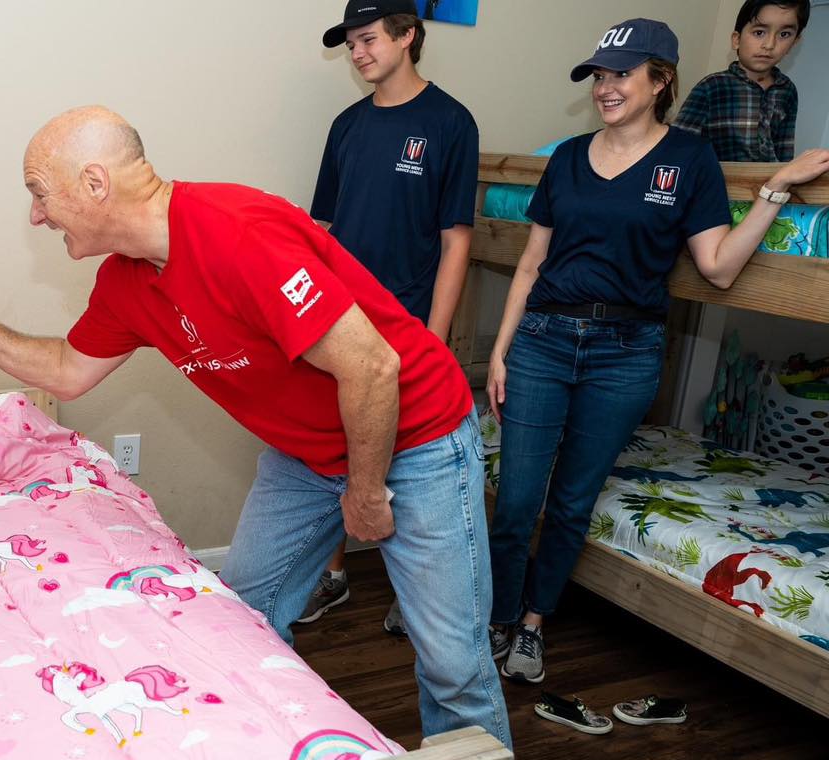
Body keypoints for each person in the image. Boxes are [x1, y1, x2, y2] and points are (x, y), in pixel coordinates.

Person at [0, 107, 520, 760]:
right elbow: (64, 373)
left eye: (40, 193)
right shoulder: (126, 282)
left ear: (94, 181)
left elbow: (373, 366)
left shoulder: (238, 232)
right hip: (306, 454)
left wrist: (367, 494)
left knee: (451, 661)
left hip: (414, 436)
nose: (37, 215)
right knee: (234, 620)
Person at [486, 19, 829, 684]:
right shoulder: (566, 160)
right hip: (544, 342)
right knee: (518, 499)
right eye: (599, 77)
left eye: (621, 75)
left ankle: (532, 625)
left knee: (571, 502)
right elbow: (529, 266)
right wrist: (500, 352)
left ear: (660, 79)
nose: (606, 89)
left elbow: (719, 267)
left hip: (626, 352)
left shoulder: (690, 162)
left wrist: (774, 189)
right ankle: (499, 616)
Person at [300, 0, 479, 629]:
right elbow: (319, 228)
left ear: (407, 36)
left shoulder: (451, 123)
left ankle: (417, 592)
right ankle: (333, 574)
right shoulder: (347, 125)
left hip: (404, 320)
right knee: (335, 446)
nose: (358, 51)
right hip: (336, 318)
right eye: (350, 42)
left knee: (411, 457)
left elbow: (456, 239)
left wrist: (434, 337)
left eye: (368, 38)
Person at [674, 0, 808, 162]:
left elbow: (784, 151)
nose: (769, 45)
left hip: (769, 183)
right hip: (717, 183)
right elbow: (678, 145)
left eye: (784, 34)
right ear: (736, 39)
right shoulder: (712, 86)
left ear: (794, 43)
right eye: (759, 32)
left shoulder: (788, 91)